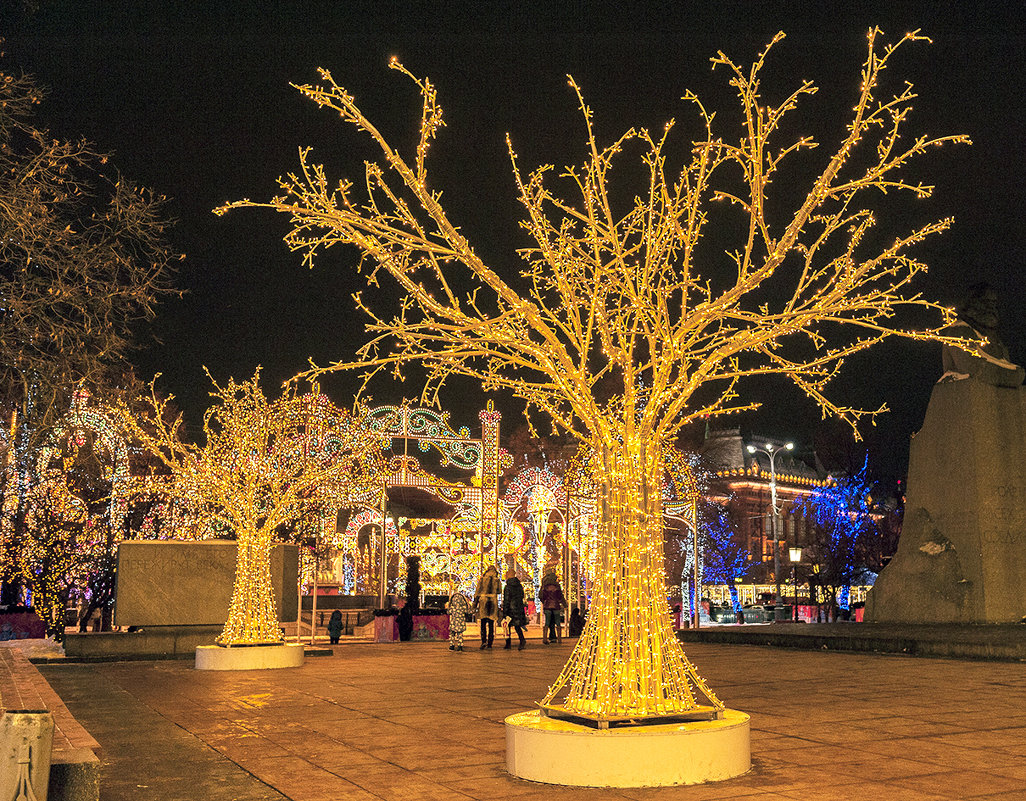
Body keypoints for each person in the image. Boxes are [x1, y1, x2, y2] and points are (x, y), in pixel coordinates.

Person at [474, 564, 501, 649]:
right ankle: (490, 643)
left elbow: (478, 590)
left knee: (483, 623)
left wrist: (475, 602)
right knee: (491, 624)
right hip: (492, 601)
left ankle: (483, 641)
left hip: (483, 601)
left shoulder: (482, 579)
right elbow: (499, 591)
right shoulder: (497, 579)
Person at [501, 569, 528, 650]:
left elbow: (507, 600)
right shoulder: (519, 585)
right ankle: (522, 639)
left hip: (510, 609)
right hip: (518, 607)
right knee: (517, 626)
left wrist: (505, 611)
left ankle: (508, 643)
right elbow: (522, 596)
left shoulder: (508, 587)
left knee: (507, 626)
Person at [539, 568, 566, 644]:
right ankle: (559, 639)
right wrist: (564, 604)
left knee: (547, 622)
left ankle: (544, 638)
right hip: (556, 605)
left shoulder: (544, 586)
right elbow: (560, 596)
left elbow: (541, 596)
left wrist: (544, 601)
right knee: (557, 622)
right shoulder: (557, 586)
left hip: (547, 605)